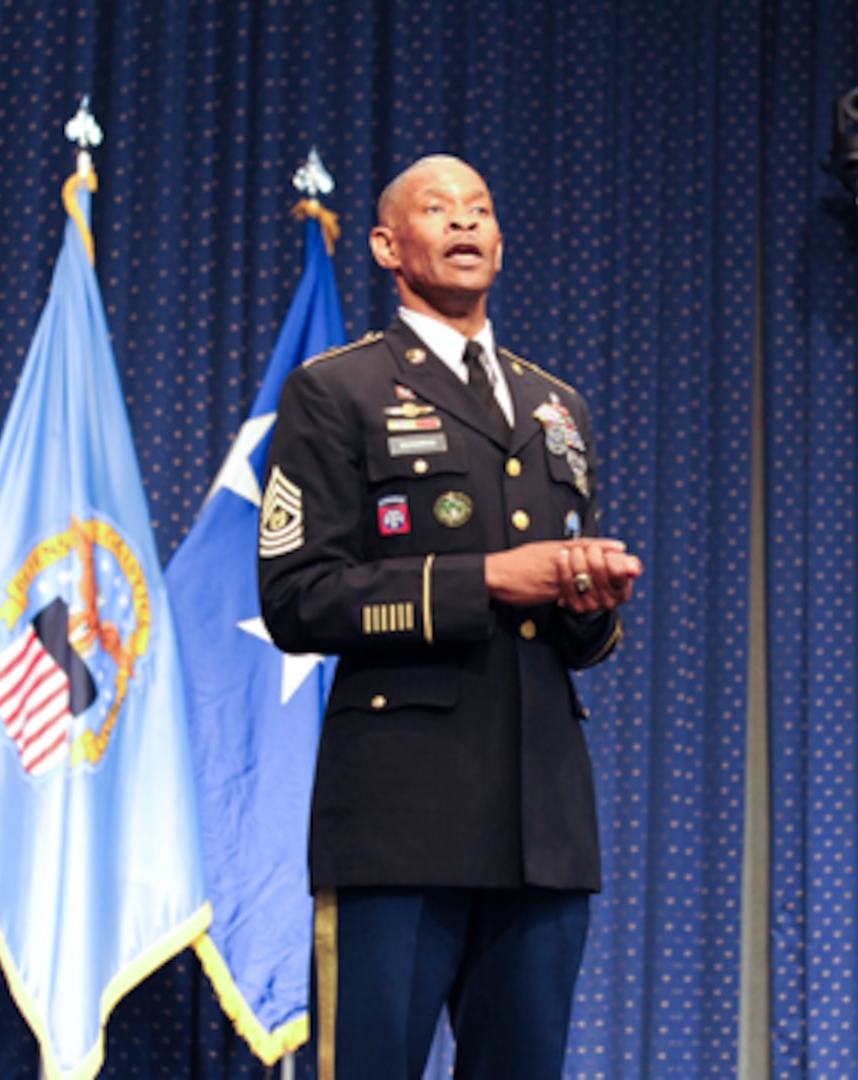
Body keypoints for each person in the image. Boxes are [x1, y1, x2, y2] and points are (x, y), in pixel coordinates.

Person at [256, 154, 641, 1080]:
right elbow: (297, 596)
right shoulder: (337, 389)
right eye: (437, 208)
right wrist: (489, 580)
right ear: (390, 244)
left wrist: (588, 601)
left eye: (480, 209)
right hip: (400, 813)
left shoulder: (559, 406)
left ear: (500, 243)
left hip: (540, 820)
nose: (464, 223)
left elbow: (574, 640)